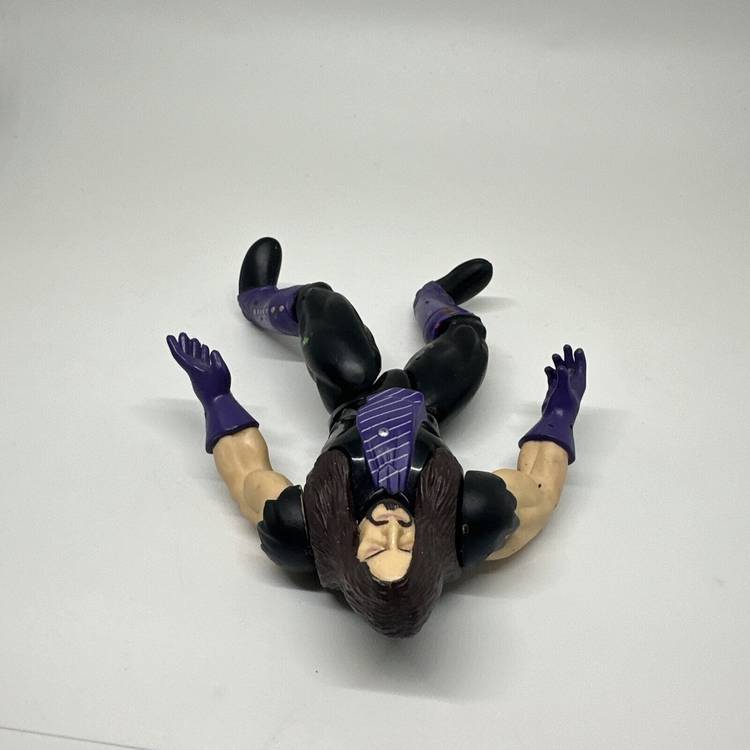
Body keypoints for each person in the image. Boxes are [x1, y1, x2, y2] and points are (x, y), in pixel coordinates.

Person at [167, 237, 587, 637]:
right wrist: (560, 414)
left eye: (374, 549)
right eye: (406, 547)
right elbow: (539, 492)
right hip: (425, 401)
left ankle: (257, 296)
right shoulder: (472, 521)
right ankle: (435, 298)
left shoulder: (304, 528)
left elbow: (247, 476)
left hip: (350, 394)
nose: (391, 529)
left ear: (351, 555)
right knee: (469, 341)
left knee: (321, 304)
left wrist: (217, 398)